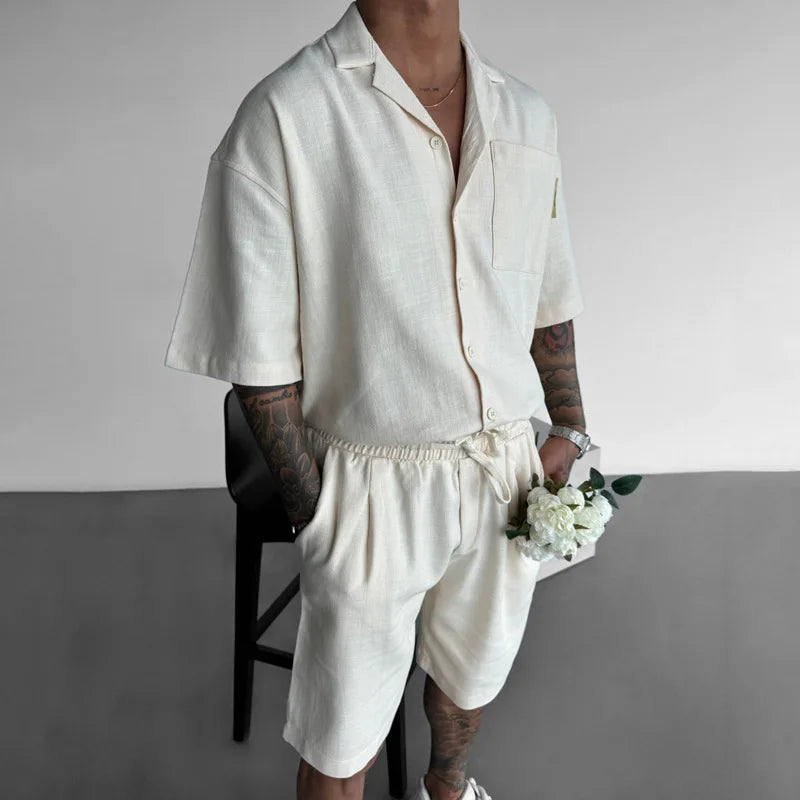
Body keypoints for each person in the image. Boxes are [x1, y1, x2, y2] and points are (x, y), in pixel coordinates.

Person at [164, 1, 591, 797]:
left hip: (505, 469)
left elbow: (547, 293)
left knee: (472, 679)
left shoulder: (526, 117)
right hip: (367, 488)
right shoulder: (286, 115)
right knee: (340, 741)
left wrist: (570, 423)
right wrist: (318, 515)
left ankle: (446, 788)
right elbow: (259, 358)